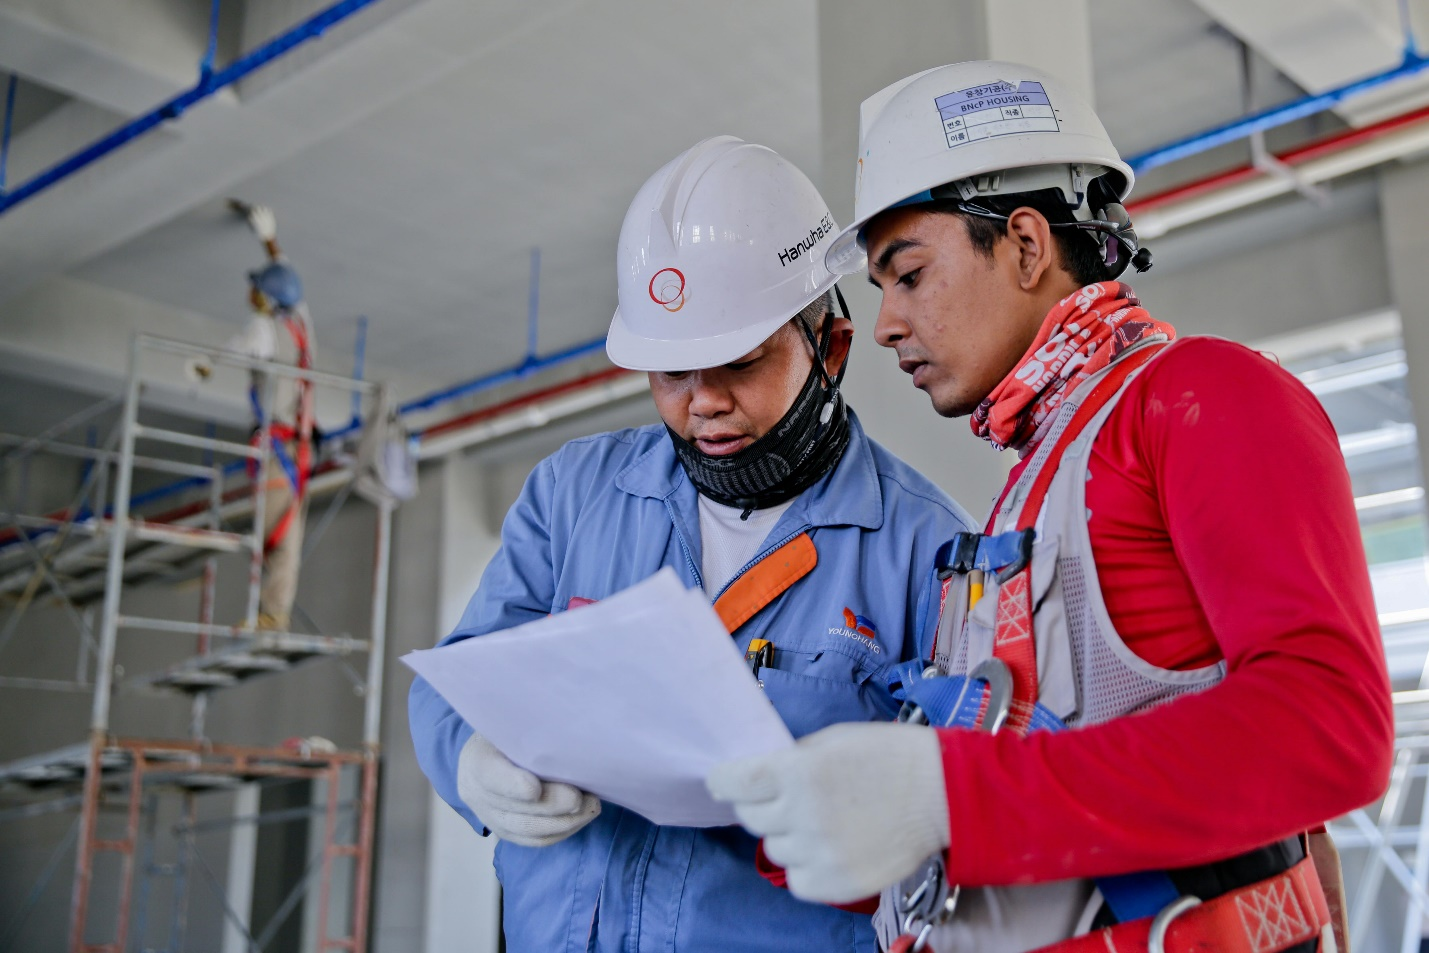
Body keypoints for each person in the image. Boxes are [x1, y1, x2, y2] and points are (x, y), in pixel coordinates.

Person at [708, 62, 1394, 953]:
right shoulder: (1031, 491)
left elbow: (1329, 725)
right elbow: (1026, 778)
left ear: (1026, 245)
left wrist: (948, 796)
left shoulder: (1201, 396)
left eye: (907, 274)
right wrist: (841, 811)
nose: (884, 325)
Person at [408, 136, 976, 952]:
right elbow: (458, 673)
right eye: (670, 371)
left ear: (832, 348)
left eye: (738, 364)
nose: (701, 402)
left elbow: (962, 820)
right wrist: (469, 759)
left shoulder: (928, 550)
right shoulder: (572, 496)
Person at [190, 202, 317, 631]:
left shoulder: (263, 330)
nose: (251, 293)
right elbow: (288, 281)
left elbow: (236, 346)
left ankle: (269, 615)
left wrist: (204, 364)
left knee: (273, 536)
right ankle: (272, 613)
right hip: (296, 447)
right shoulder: (300, 323)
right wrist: (269, 240)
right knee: (284, 532)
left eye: (256, 289)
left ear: (264, 298)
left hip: (278, 449)